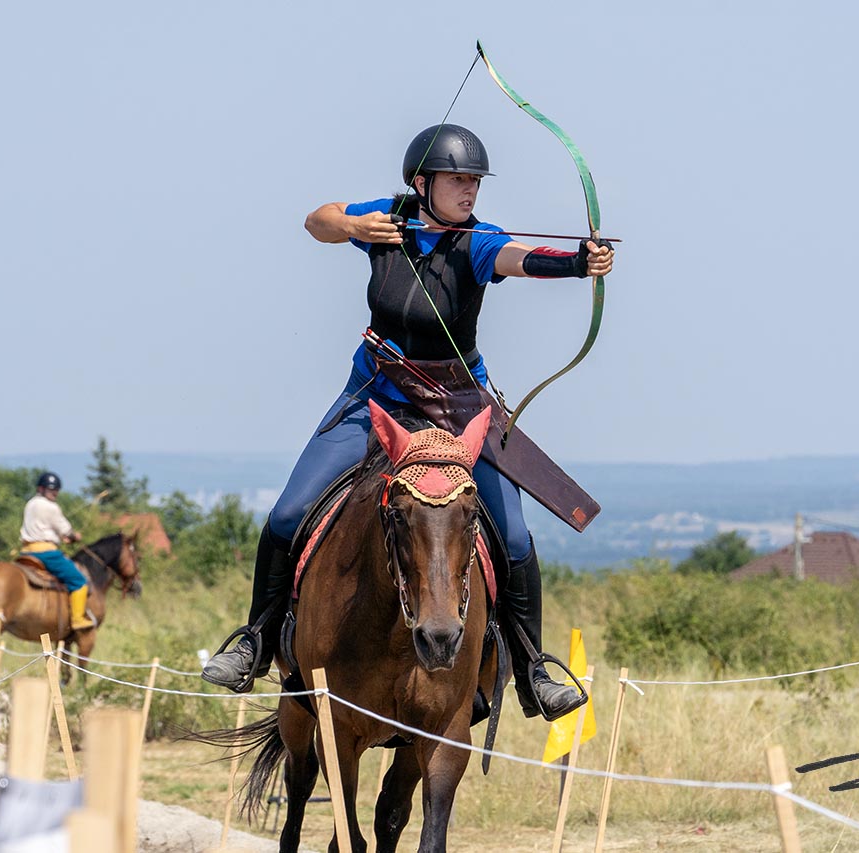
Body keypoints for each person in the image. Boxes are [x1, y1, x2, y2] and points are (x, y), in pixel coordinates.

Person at [202, 124, 614, 721]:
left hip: (457, 405)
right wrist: (351, 227)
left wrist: (578, 262)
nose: (469, 190)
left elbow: (517, 258)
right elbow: (318, 219)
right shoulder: (387, 221)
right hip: (375, 395)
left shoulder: (478, 242)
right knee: (290, 512)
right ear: (421, 182)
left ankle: (531, 669)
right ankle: (256, 641)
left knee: (516, 538)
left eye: (474, 181)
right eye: (457, 179)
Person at [20, 472, 94, 630]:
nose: (55, 493)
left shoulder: (30, 504)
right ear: (41, 489)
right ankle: (78, 619)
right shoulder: (51, 507)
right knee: (79, 581)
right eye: (51, 490)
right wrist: (74, 536)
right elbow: (67, 530)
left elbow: (42, 527)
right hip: (47, 553)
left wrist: (62, 537)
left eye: (56, 490)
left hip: (26, 552)